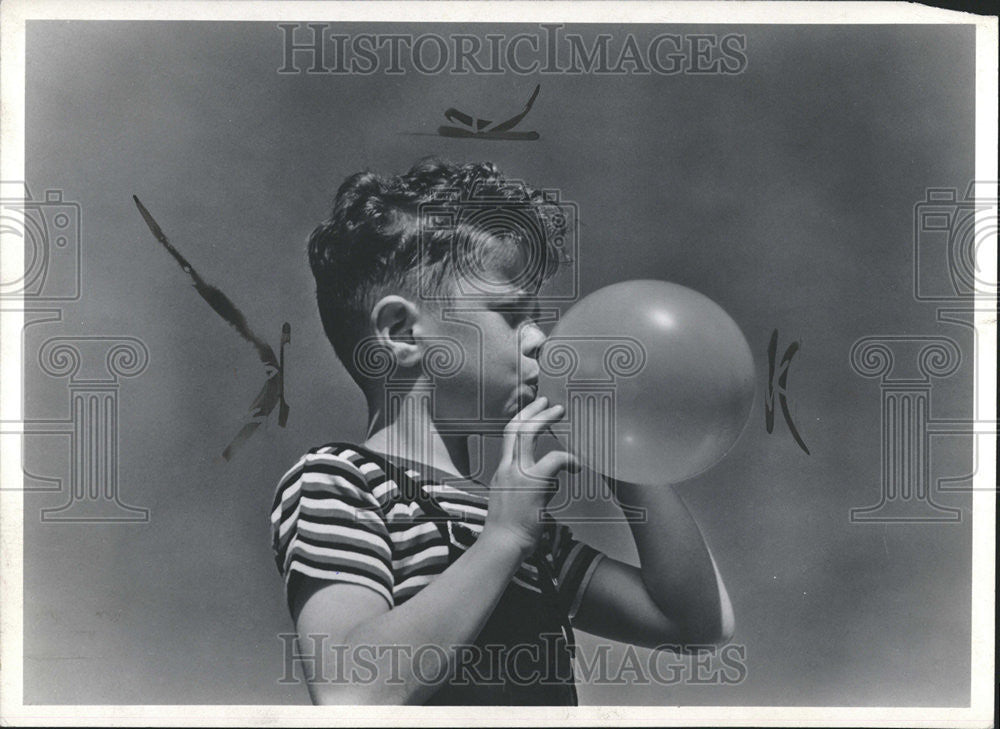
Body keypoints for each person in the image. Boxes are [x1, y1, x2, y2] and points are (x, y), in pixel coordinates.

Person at [270, 158, 734, 705]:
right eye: (513, 314)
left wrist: (617, 453)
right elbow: (352, 691)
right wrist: (504, 539)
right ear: (401, 332)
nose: (541, 337)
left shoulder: (521, 525)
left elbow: (695, 624)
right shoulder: (341, 482)